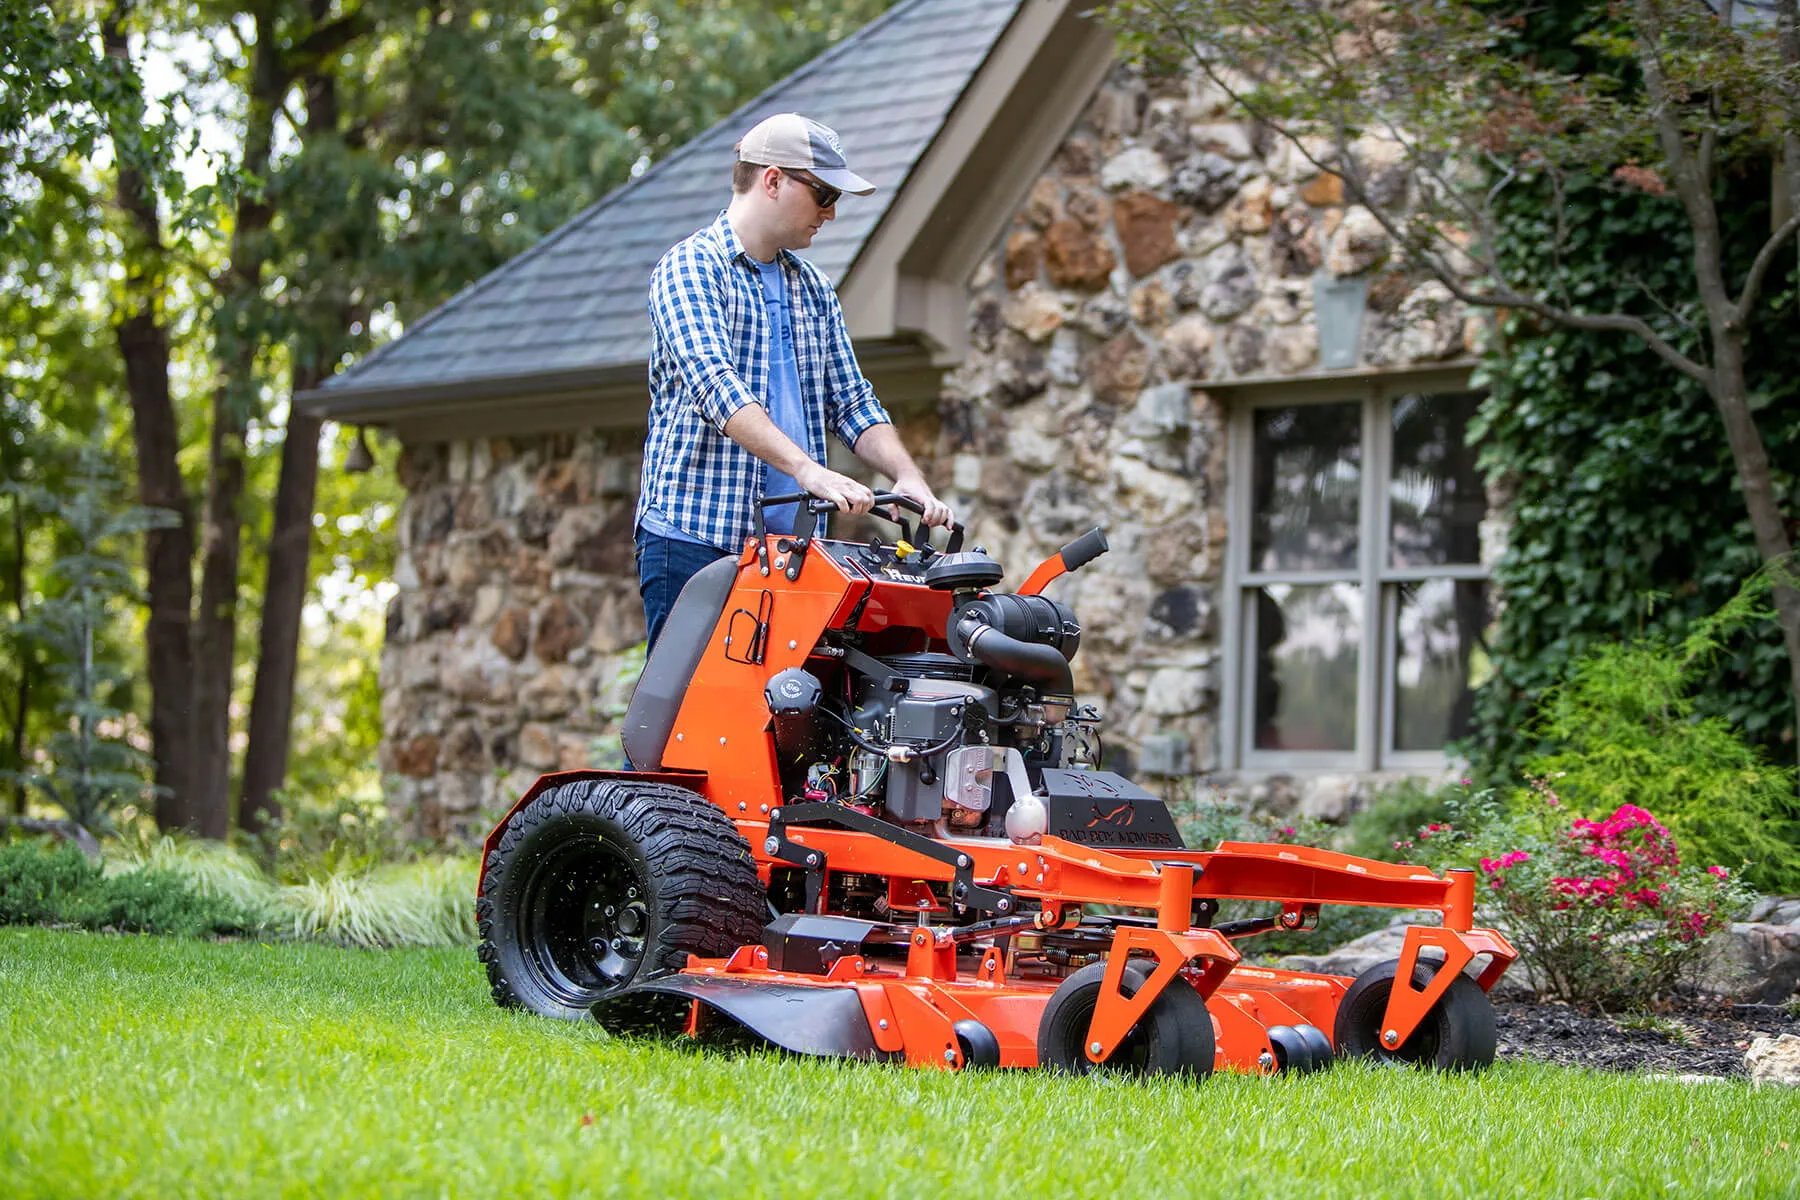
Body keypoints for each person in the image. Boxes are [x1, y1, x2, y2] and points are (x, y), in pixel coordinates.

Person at [636, 111, 952, 652]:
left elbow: (852, 401)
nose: (831, 213)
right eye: (824, 194)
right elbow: (718, 388)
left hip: (791, 554)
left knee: (793, 724)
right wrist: (810, 471)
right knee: (688, 729)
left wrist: (906, 476)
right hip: (697, 544)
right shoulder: (689, 268)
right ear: (773, 179)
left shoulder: (813, 289)